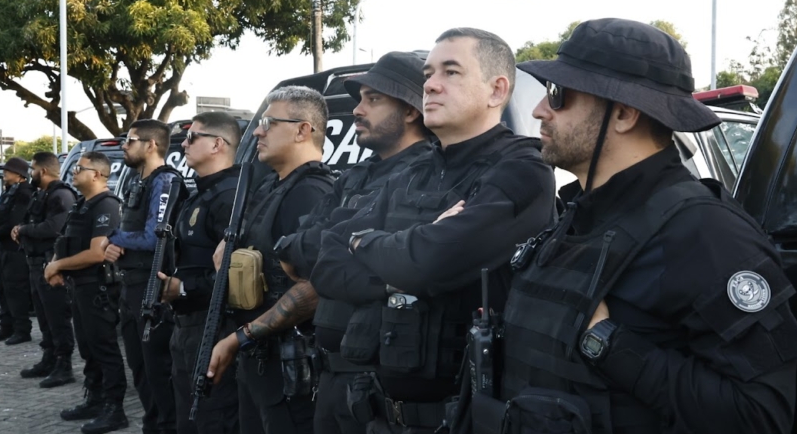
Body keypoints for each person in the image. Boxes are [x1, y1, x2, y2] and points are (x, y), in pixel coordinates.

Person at [473, 18, 797, 434]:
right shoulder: (580, 216)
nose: (539, 109)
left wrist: (609, 344)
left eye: (559, 95)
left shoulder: (706, 234)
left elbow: (759, 416)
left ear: (623, 114)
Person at [309, 28, 557, 434]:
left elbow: (431, 262)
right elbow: (327, 262)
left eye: (451, 72)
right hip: (379, 414)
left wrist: (365, 243)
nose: (430, 85)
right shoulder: (412, 171)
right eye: (428, 74)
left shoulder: (521, 172)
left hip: (460, 419)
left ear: (496, 90)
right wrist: (394, 270)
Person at [274, 51, 432, 434]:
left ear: (411, 110)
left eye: (373, 99)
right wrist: (330, 248)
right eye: (360, 99)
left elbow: (392, 262)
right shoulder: (353, 176)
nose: (358, 110)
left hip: (380, 385)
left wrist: (326, 250)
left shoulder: (427, 173)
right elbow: (298, 245)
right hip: (330, 374)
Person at [206, 85, 335, 434]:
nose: (257, 132)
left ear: (302, 130)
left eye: (268, 123)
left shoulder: (310, 193)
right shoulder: (271, 187)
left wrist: (240, 338)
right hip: (260, 362)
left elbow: (314, 288)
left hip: (290, 369)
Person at [157, 112, 242, 434]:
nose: (184, 144)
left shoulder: (230, 197)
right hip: (187, 324)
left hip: (214, 326)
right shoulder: (201, 193)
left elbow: (237, 275)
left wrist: (182, 288)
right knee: (189, 419)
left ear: (217, 144)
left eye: (192, 137)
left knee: (212, 418)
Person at [103, 119, 183, 434]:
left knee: (158, 372)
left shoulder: (165, 181)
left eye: (130, 140)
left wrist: (113, 239)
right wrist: (117, 244)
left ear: (151, 145)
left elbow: (153, 238)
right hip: (131, 286)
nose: (124, 145)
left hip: (152, 289)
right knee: (141, 370)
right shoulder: (139, 181)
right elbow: (133, 230)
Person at [46, 151, 128, 434]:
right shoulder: (82, 204)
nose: (73, 172)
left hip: (98, 287)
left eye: (79, 168)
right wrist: (56, 265)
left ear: (96, 174)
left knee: (104, 348)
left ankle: (115, 409)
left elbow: (97, 253)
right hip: (79, 287)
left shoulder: (106, 205)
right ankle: (95, 399)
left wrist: (57, 265)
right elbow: (65, 240)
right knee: (88, 347)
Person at [14, 151, 77, 387]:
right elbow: (33, 222)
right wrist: (21, 228)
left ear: (43, 171)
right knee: (44, 317)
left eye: (32, 169)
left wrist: (23, 230)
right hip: (36, 264)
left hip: (50, 265)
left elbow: (53, 227)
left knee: (57, 317)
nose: (30, 173)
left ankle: (64, 365)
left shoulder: (61, 194)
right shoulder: (42, 194)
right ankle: (49, 358)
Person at [0, 157, 34, 345]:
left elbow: (14, 220)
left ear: (19, 175)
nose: (4, 173)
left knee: (16, 290)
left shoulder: (25, 193)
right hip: (3, 247)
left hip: (15, 249)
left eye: (8, 170)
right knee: (2, 288)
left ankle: (22, 330)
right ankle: (6, 327)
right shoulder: (9, 191)